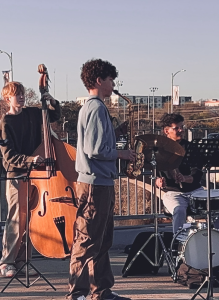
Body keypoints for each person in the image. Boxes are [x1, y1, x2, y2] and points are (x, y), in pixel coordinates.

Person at [67, 59, 135, 300]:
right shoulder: (95, 107)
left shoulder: (93, 107)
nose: (113, 84)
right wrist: (122, 153)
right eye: (110, 79)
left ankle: (102, 290)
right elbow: (94, 149)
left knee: (102, 240)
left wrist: (116, 134)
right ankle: (78, 293)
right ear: (99, 80)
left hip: (99, 182)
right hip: (95, 183)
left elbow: (95, 143)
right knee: (87, 240)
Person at [0, 81, 61, 277]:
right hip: (17, 174)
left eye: (23, 93)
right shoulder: (5, 122)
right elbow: (8, 156)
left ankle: (23, 261)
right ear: (7, 98)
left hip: (36, 175)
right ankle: (6, 262)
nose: (21, 96)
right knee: (17, 218)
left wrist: (51, 101)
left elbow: (54, 116)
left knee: (31, 219)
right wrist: (30, 159)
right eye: (17, 94)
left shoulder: (33, 114)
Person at [157, 113, 219, 235]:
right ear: (166, 131)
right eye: (176, 128)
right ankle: (178, 244)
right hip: (173, 193)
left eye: (181, 127)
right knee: (179, 210)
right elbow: (155, 174)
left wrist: (184, 178)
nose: (181, 130)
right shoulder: (159, 151)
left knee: (218, 209)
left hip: (195, 190)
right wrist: (158, 182)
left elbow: (197, 174)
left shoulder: (191, 148)